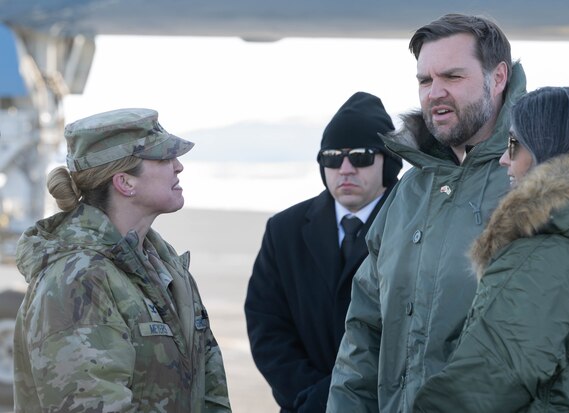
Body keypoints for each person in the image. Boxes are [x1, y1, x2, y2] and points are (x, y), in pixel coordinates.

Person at [411, 86, 569, 412]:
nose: (504, 159)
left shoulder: (539, 261)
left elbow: (470, 395)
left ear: (550, 153)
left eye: (514, 144)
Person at [327, 13, 527, 412]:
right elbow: (363, 333)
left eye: (452, 77)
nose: (435, 93)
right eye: (425, 80)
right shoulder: (409, 192)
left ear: (498, 77)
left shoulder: (533, 181)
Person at [13, 108, 231, 412]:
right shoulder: (77, 281)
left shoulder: (166, 266)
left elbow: (211, 393)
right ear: (125, 182)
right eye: (164, 158)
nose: (178, 166)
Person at [245, 92, 402, 412]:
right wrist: (314, 397)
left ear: (388, 161)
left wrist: (349, 396)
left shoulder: (415, 226)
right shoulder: (284, 230)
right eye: (332, 157)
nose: (345, 168)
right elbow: (266, 326)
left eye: (360, 156)